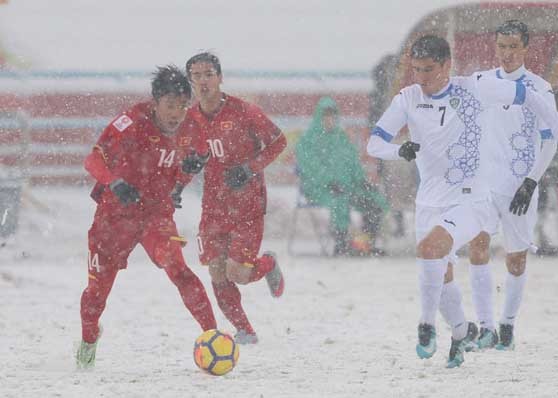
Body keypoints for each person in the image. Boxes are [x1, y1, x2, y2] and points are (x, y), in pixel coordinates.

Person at [367, 35, 558, 368]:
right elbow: (374, 143)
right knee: (439, 275)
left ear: (446, 65)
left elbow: (535, 99)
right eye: (416, 70)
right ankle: (460, 330)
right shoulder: (408, 98)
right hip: (430, 200)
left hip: (471, 197)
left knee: (438, 250)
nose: (421, 78)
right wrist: (399, 150)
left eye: (428, 70)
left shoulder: (475, 88)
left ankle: (437, 327)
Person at [77, 65, 217, 369]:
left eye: (182, 105)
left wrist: (183, 180)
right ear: (155, 102)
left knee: (179, 270)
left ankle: (213, 335)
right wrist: (114, 181)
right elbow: (93, 158)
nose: (176, 113)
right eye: (170, 105)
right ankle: (88, 340)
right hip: (114, 217)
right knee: (96, 296)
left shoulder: (192, 128)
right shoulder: (130, 122)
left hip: (156, 215)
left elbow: (193, 162)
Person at [466, 20, 558, 351]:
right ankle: (485, 327)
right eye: (502, 46)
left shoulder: (540, 88)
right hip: (483, 184)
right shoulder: (481, 82)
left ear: (525, 48)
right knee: (478, 247)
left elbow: (550, 140)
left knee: (515, 259)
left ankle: (507, 325)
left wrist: (530, 181)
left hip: (519, 184)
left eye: (513, 47)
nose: (507, 53)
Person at [183, 52, 287, 345]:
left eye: (208, 74)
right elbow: (185, 156)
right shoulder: (189, 119)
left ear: (220, 77)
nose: (203, 81)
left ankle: (267, 263)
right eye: (197, 76)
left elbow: (279, 142)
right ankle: (245, 331)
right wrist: (185, 170)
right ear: (190, 80)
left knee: (238, 273)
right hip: (213, 205)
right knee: (216, 271)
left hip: (247, 204)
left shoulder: (245, 111)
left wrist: (249, 168)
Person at [295, 96, 389, 256]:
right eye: (326, 115)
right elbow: (311, 168)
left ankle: (365, 244)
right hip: (319, 189)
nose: (329, 119)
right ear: (319, 116)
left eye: (332, 115)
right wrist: (329, 182)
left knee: (374, 200)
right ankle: (342, 244)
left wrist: (362, 181)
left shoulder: (341, 138)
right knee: (340, 201)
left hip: (347, 187)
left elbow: (353, 163)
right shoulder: (308, 140)